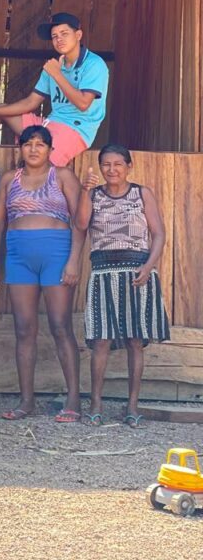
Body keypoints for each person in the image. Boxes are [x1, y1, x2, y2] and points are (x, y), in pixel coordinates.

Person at [0, 125, 84, 423]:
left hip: (56, 253)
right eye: (28, 144)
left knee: (60, 325)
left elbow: (80, 222)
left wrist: (74, 261)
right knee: (24, 329)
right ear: (20, 148)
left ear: (50, 150)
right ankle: (26, 401)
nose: (34, 149)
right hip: (18, 256)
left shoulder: (63, 176)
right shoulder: (8, 180)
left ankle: (74, 400)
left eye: (41, 144)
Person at [76, 145, 169, 428]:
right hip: (103, 272)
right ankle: (95, 404)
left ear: (129, 165)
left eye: (118, 164)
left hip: (137, 273)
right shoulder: (93, 195)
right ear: (100, 167)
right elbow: (80, 225)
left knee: (134, 341)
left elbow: (159, 234)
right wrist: (84, 191)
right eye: (106, 164)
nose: (112, 170)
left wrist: (149, 266)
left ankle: (132, 406)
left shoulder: (142, 194)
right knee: (101, 341)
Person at [0, 12, 109, 166]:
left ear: (78, 35)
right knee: (1, 110)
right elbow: (32, 101)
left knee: (40, 164)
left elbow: (84, 104)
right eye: (54, 36)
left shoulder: (94, 64)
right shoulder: (54, 66)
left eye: (64, 33)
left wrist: (57, 75)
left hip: (76, 130)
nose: (59, 39)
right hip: (49, 124)